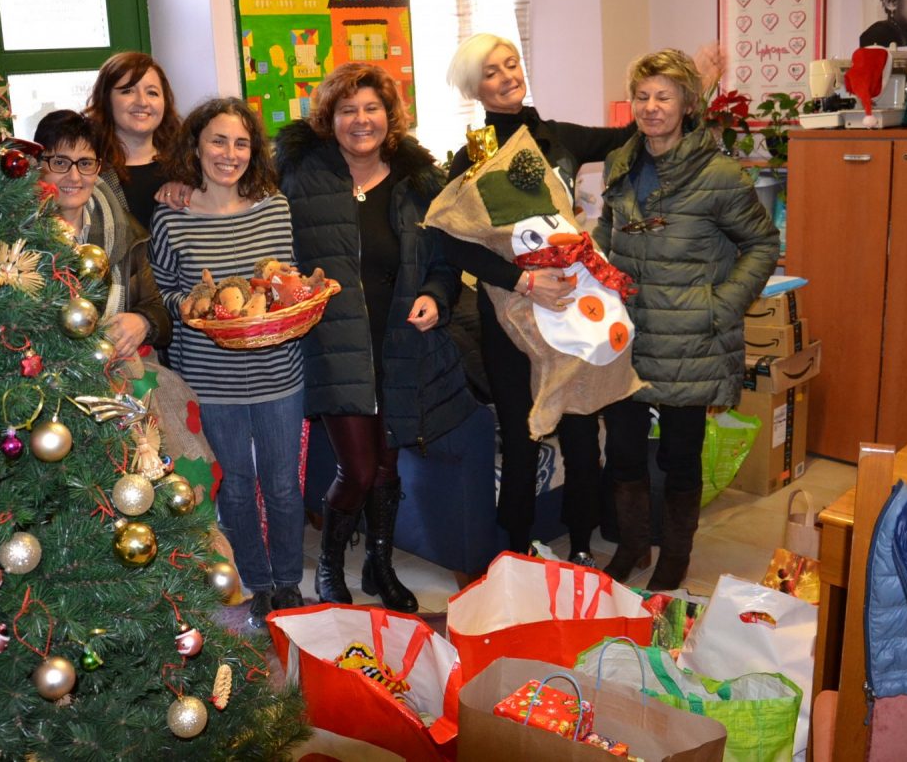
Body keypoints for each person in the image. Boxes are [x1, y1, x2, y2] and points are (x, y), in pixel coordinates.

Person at [276, 63, 476, 611]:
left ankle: (380, 567)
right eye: (347, 110)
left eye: (371, 109)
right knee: (359, 468)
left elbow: (444, 260)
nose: (360, 120)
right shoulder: (299, 172)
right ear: (329, 118)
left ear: (390, 117)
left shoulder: (419, 182)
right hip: (332, 344)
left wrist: (437, 295)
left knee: (388, 466)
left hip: (400, 344)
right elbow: (239, 196)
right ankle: (331, 568)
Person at [441, 33, 637, 563]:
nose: (508, 76)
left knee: (579, 434)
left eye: (512, 64)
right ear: (474, 88)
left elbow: (633, 134)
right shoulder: (471, 156)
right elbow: (449, 240)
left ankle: (578, 548)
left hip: (573, 311)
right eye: (492, 72)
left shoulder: (559, 139)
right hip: (509, 317)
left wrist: (691, 91)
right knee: (522, 436)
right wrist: (521, 281)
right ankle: (517, 555)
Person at [594, 49, 779, 590]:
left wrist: (720, 306)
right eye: (643, 96)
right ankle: (632, 546)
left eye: (664, 97)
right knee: (624, 452)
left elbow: (763, 245)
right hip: (625, 333)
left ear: (687, 104)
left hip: (689, 338)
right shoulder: (620, 164)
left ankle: (675, 553)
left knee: (679, 456)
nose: (651, 107)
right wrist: (589, 263)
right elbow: (610, 230)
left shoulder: (718, 174)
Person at [150, 97, 306, 629]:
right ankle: (257, 583)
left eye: (241, 143)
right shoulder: (172, 213)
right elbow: (165, 292)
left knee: (283, 484)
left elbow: (284, 282)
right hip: (210, 380)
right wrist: (198, 308)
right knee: (235, 485)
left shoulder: (274, 206)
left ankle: (289, 581)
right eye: (218, 140)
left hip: (278, 372)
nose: (230, 153)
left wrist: (285, 296)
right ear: (196, 145)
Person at [33, 110, 170, 358]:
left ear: (97, 169)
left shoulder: (123, 230)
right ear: (39, 166)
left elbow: (158, 312)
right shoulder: (19, 235)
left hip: (117, 382)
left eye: (85, 163)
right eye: (60, 162)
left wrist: (143, 322)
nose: (74, 177)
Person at [84, 52, 181, 229]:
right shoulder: (87, 171)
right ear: (106, 100)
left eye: (152, 93)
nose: (142, 102)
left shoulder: (186, 168)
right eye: (127, 91)